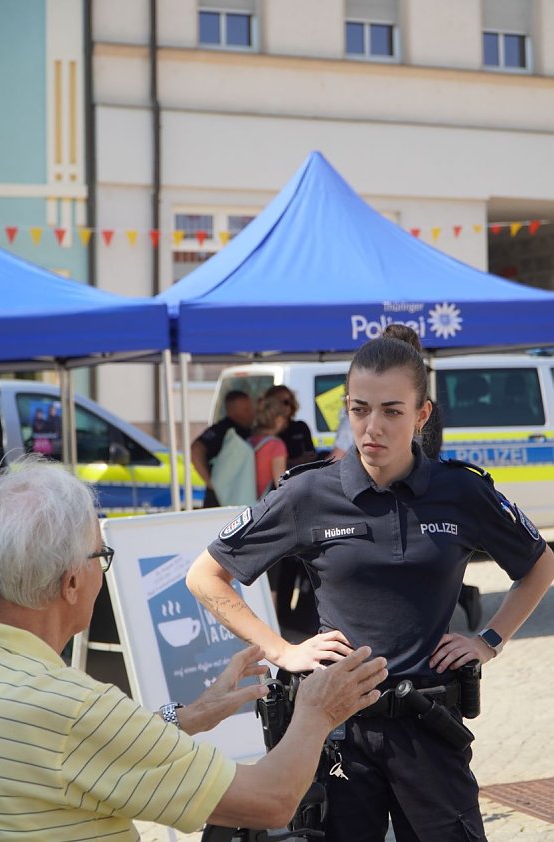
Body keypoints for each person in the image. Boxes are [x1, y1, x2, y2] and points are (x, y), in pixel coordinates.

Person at [187, 330, 554, 842]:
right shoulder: (308, 493)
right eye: (359, 409)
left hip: (430, 726)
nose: (372, 427)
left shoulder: (461, 491)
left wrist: (487, 641)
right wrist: (280, 649)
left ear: (422, 415)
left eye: (391, 411)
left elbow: (539, 565)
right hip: (336, 733)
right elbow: (205, 575)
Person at [0, 458, 387, 841]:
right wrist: (317, 713)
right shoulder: (74, 711)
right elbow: (270, 800)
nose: (101, 574)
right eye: (101, 557)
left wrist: (189, 717)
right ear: (71, 583)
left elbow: (92, 750)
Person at [382, 323, 483, 632]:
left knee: (419, 562)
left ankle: (455, 600)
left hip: (415, 491)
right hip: (396, 489)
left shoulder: (423, 403)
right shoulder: (384, 394)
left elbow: (426, 452)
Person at [191, 390, 256, 507]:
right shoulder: (222, 430)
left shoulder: (248, 430)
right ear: (232, 411)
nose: (252, 413)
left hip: (239, 495)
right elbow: (196, 449)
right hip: (220, 499)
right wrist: (210, 483)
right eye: (246, 410)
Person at [264, 384, 317, 466]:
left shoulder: (301, 427)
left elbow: (312, 455)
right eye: (284, 402)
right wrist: (295, 461)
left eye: (290, 401)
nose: (288, 405)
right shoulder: (264, 431)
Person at [249, 393, 288, 498]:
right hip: (260, 503)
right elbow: (280, 484)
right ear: (279, 419)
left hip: (241, 500)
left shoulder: (248, 440)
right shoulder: (276, 445)